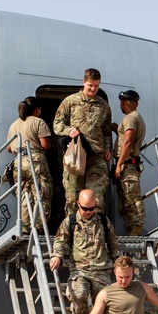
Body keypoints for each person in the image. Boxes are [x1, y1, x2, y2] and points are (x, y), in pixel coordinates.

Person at [50, 189, 119, 314]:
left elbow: (113, 242)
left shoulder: (103, 221)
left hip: (101, 270)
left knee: (101, 306)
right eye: (85, 208)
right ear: (78, 204)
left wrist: (118, 264)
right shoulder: (70, 221)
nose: (88, 212)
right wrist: (57, 255)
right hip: (80, 270)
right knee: (78, 295)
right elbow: (61, 240)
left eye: (92, 209)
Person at [53, 68, 114, 214]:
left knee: (96, 199)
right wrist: (69, 131)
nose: (93, 89)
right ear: (84, 82)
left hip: (96, 156)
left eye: (96, 86)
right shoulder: (70, 102)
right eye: (90, 85)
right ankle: (73, 233)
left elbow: (106, 131)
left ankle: (96, 233)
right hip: (76, 156)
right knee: (73, 198)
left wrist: (107, 148)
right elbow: (57, 124)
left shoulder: (104, 106)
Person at [6, 97, 53, 232]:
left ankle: (25, 229)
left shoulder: (14, 125)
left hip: (19, 162)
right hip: (35, 161)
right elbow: (45, 145)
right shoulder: (39, 122)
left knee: (25, 197)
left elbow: (9, 148)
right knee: (41, 194)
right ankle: (38, 228)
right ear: (37, 109)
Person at [113, 89, 147, 236]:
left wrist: (119, 164)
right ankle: (130, 232)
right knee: (125, 202)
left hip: (127, 165)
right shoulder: (136, 117)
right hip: (128, 164)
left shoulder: (130, 118)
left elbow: (128, 142)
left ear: (123, 102)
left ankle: (136, 231)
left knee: (132, 200)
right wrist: (117, 131)